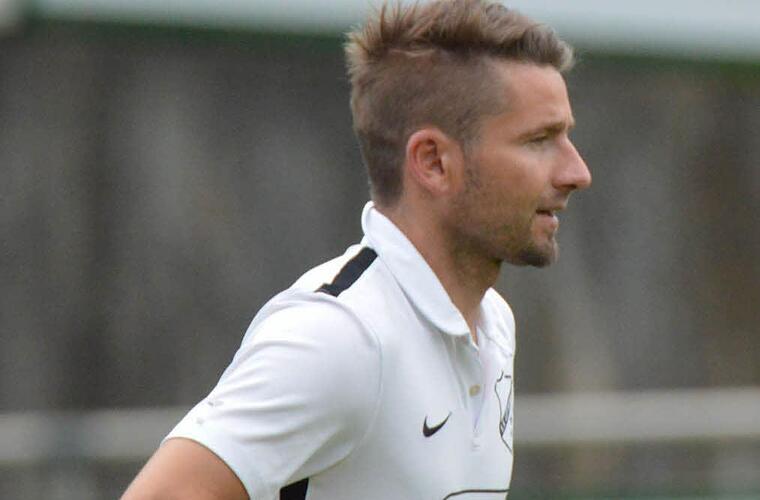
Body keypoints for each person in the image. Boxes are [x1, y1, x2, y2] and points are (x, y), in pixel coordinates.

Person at [122, 0, 591, 498]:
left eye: (565, 136)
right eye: (539, 140)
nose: (577, 172)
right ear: (433, 162)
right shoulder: (342, 337)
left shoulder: (494, 324)